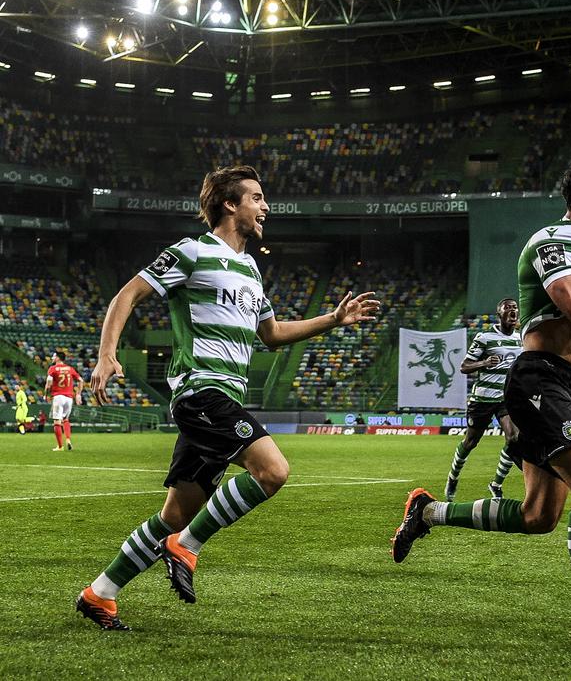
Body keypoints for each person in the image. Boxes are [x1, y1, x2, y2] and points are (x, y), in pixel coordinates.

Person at [76, 166, 380, 631]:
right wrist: (107, 355)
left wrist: (332, 320)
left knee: (175, 514)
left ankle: (100, 594)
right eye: (256, 198)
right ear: (230, 204)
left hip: (222, 397)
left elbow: (272, 334)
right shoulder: (192, 251)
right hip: (202, 391)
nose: (265, 206)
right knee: (273, 471)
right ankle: (187, 547)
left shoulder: (251, 268)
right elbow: (128, 295)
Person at [391, 158, 571, 650]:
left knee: (539, 517)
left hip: (562, 382)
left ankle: (428, 513)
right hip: (537, 377)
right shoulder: (551, 240)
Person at [444, 298, 523, 502]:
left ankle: (496, 484)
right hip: (483, 399)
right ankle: (453, 477)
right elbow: (464, 366)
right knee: (471, 442)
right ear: (500, 314)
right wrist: (485, 362)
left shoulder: (521, 338)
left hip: (505, 399)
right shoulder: (485, 337)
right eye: (508, 308)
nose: (513, 311)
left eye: (515, 308)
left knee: (514, 437)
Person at [45, 351, 84, 451]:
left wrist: (46, 395)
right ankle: (68, 439)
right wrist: (78, 394)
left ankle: (60, 446)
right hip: (69, 398)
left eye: (54, 356)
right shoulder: (70, 369)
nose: (52, 358)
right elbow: (80, 380)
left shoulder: (52, 368)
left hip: (58, 397)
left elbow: (49, 382)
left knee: (57, 422)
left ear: (58, 358)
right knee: (65, 420)